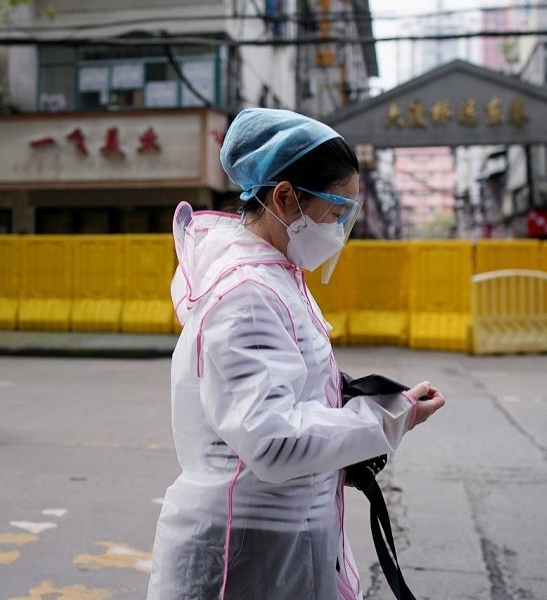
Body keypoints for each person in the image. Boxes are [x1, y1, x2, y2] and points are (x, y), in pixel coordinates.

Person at [147, 108, 446, 600]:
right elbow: (273, 441)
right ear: (284, 198)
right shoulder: (246, 294)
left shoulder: (276, 278)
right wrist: (388, 417)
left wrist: (364, 419)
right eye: (333, 213)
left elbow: (287, 399)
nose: (337, 230)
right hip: (243, 555)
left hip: (276, 547)